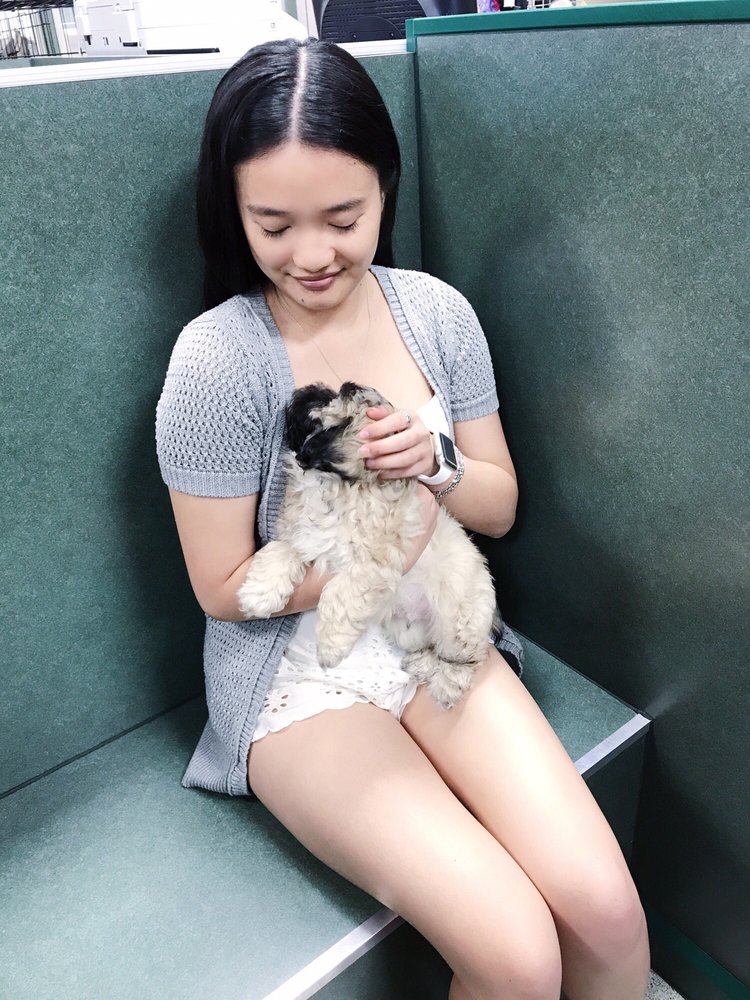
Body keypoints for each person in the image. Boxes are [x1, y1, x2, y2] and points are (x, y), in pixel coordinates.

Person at [155, 36, 650, 1000]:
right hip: (298, 676)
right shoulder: (215, 362)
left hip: (433, 634)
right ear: (233, 212)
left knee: (608, 915)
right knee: (516, 953)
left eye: (344, 218)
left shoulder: (436, 314)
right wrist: (377, 556)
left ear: (385, 189)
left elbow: (499, 507)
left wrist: (436, 463)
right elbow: (221, 590)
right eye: (273, 225)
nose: (313, 255)